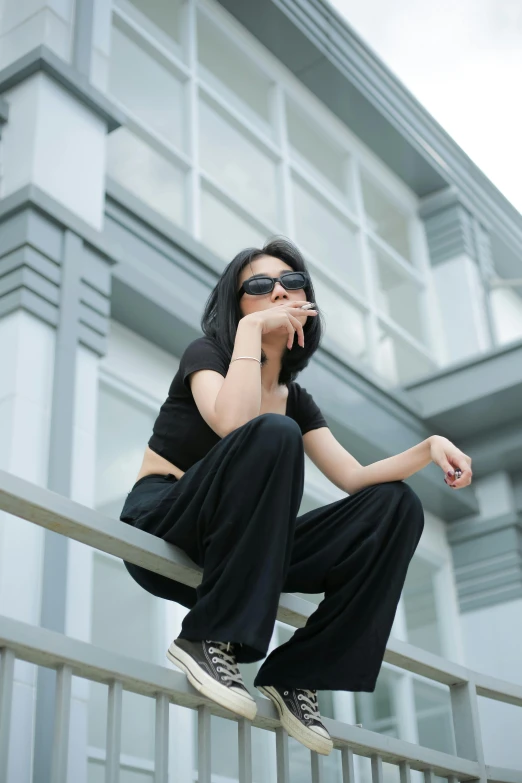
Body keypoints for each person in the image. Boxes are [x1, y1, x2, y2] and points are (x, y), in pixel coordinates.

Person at [119, 237, 472, 756]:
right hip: (165, 521)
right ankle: (203, 638)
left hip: (244, 547)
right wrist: (249, 335)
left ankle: (299, 673)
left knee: (395, 506)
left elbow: (354, 478)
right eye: (258, 287)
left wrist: (428, 447)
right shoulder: (207, 354)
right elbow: (234, 424)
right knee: (271, 432)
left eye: (291, 282)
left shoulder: (295, 400)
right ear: (237, 305)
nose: (279, 292)